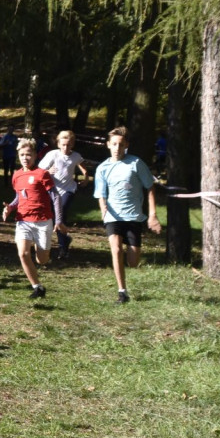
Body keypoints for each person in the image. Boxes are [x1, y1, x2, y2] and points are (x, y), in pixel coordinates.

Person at [93, 126, 161, 304]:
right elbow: (101, 193)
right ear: (108, 145)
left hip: (133, 217)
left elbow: (150, 188)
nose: (117, 148)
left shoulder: (136, 163)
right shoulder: (102, 168)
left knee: (132, 262)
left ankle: (126, 277)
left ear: (126, 146)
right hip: (113, 216)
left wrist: (152, 215)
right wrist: (103, 209)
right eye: (114, 144)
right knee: (115, 250)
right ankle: (122, 292)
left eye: (121, 145)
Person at [2, 138, 63, 299]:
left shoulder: (42, 174)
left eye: (28, 154)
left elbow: (55, 197)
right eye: (22, 155)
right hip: (23, 220)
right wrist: (10, 208)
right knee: (22, 254)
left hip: (43, 221)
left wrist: (58, 220)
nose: (25, 158)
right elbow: (19, 197)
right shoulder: (16, 175)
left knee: (42, 260)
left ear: (35, 155)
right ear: (18, 156)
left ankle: (41, 248)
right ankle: (37, 287)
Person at [38, 130, 89, 260]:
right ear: (59, 143)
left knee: (61, 214)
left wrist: (86, 177)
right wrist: (48, 171)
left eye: (69, 145)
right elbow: (40, 170)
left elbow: (83, 167)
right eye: (63, 144)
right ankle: (64, 242)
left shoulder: (76, 156)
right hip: (52, 191)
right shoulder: (52, 154)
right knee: (56, 218)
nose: (66, 148)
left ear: (72, 145)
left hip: (69, 190)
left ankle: (63, 248)